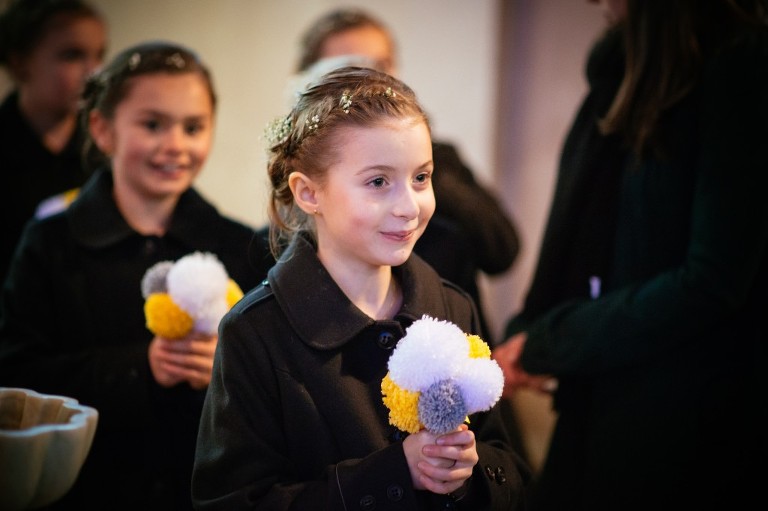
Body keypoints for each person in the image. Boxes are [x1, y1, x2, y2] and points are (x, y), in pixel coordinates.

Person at [192, 66, 530, 510]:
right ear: (309, 193)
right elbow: (233, 501)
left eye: (421, 178)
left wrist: (467, 468)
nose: (409, 206)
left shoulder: (450, 304)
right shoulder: (256, 332)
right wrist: (392, 474)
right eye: (378, 182)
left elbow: (511, 468)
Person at [493, 0, 768, 509]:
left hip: (690, 413)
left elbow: (713, 279)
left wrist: (553, 339)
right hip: (604, 390)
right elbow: (585, 230)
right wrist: (532, 331)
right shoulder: (620, 69)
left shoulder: (739, 64)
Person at [0, 41, 271, 510]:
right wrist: (139, 366)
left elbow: (271, 380)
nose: (176, 145)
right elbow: (16, 371)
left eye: (193, 127)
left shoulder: (240, 245)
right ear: (103, 130)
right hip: (86, 489)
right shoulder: (50, 243)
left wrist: (225, 369)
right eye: (152, 124)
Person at [292, 7, 521, 343]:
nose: (368, 76)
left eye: (381, 65)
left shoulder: (440, 164)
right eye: (349, 67)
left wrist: (414, 164)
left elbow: (502, 250)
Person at [0, 0, 106, 286]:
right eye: (72, 55)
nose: (94, 72)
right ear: (20, 63)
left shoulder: (104, 149)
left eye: (99, 55)